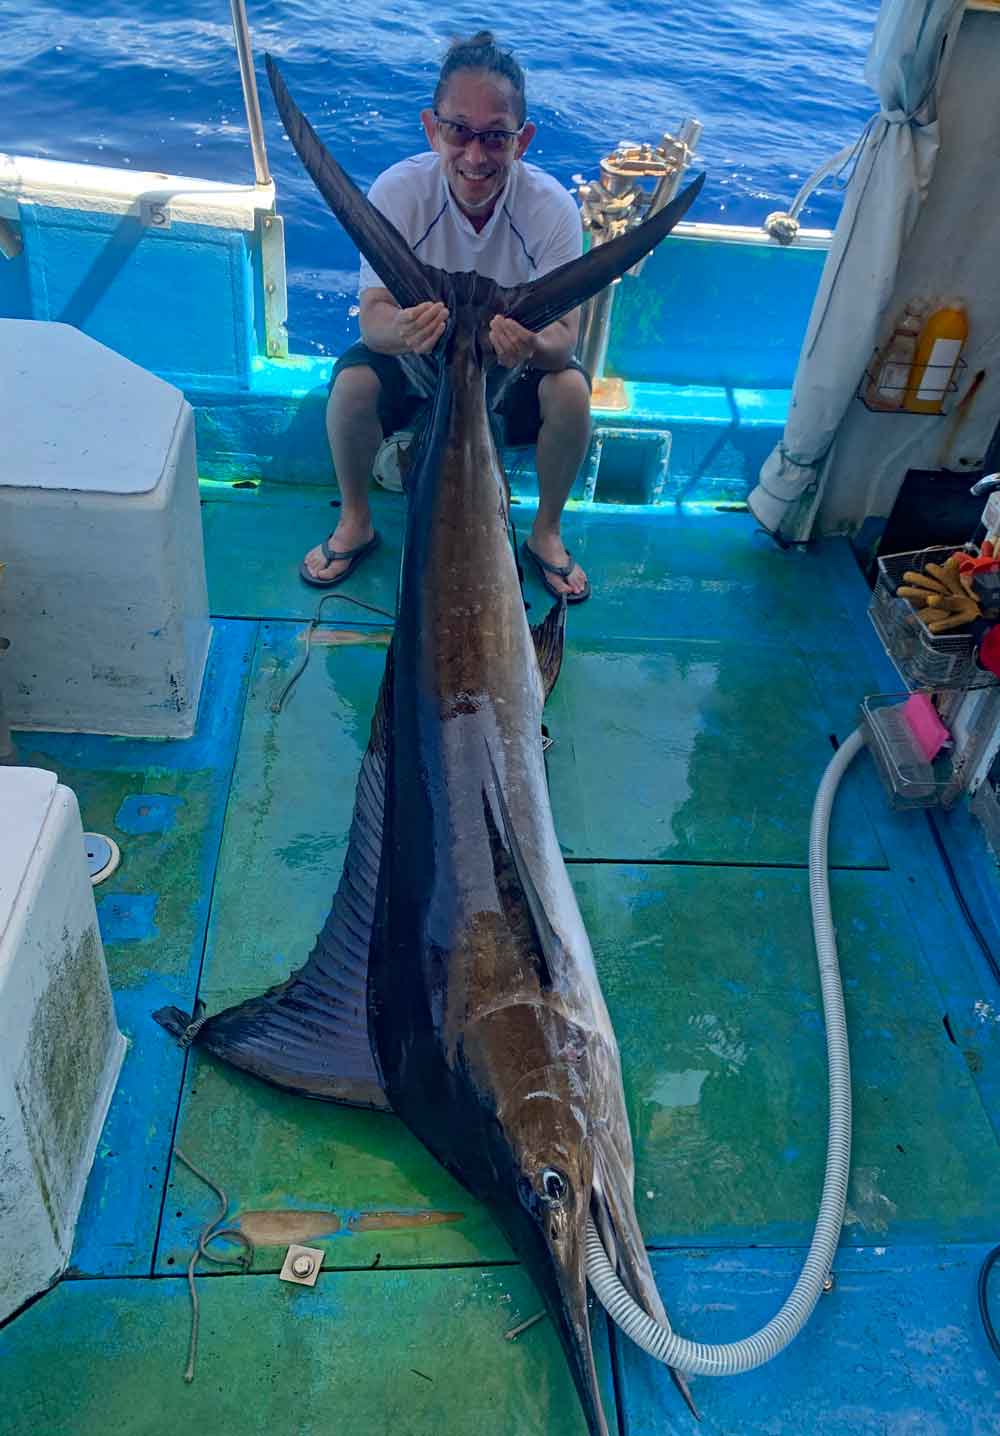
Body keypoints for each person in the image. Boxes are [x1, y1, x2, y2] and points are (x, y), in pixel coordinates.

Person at [300, 30, 592, 602]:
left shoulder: (552, 207)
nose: (475, 155)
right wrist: (404, 332)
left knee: (572, 395)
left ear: (522, 140)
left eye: (495, 137)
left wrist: (527, 347)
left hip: (510, 366)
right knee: (353, 385)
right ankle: (355, 522)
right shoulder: (399, 191)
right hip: (419, 359)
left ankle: (546, 533)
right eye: (458, 131)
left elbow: (564, 342)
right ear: (432, 128)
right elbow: (373, 321)